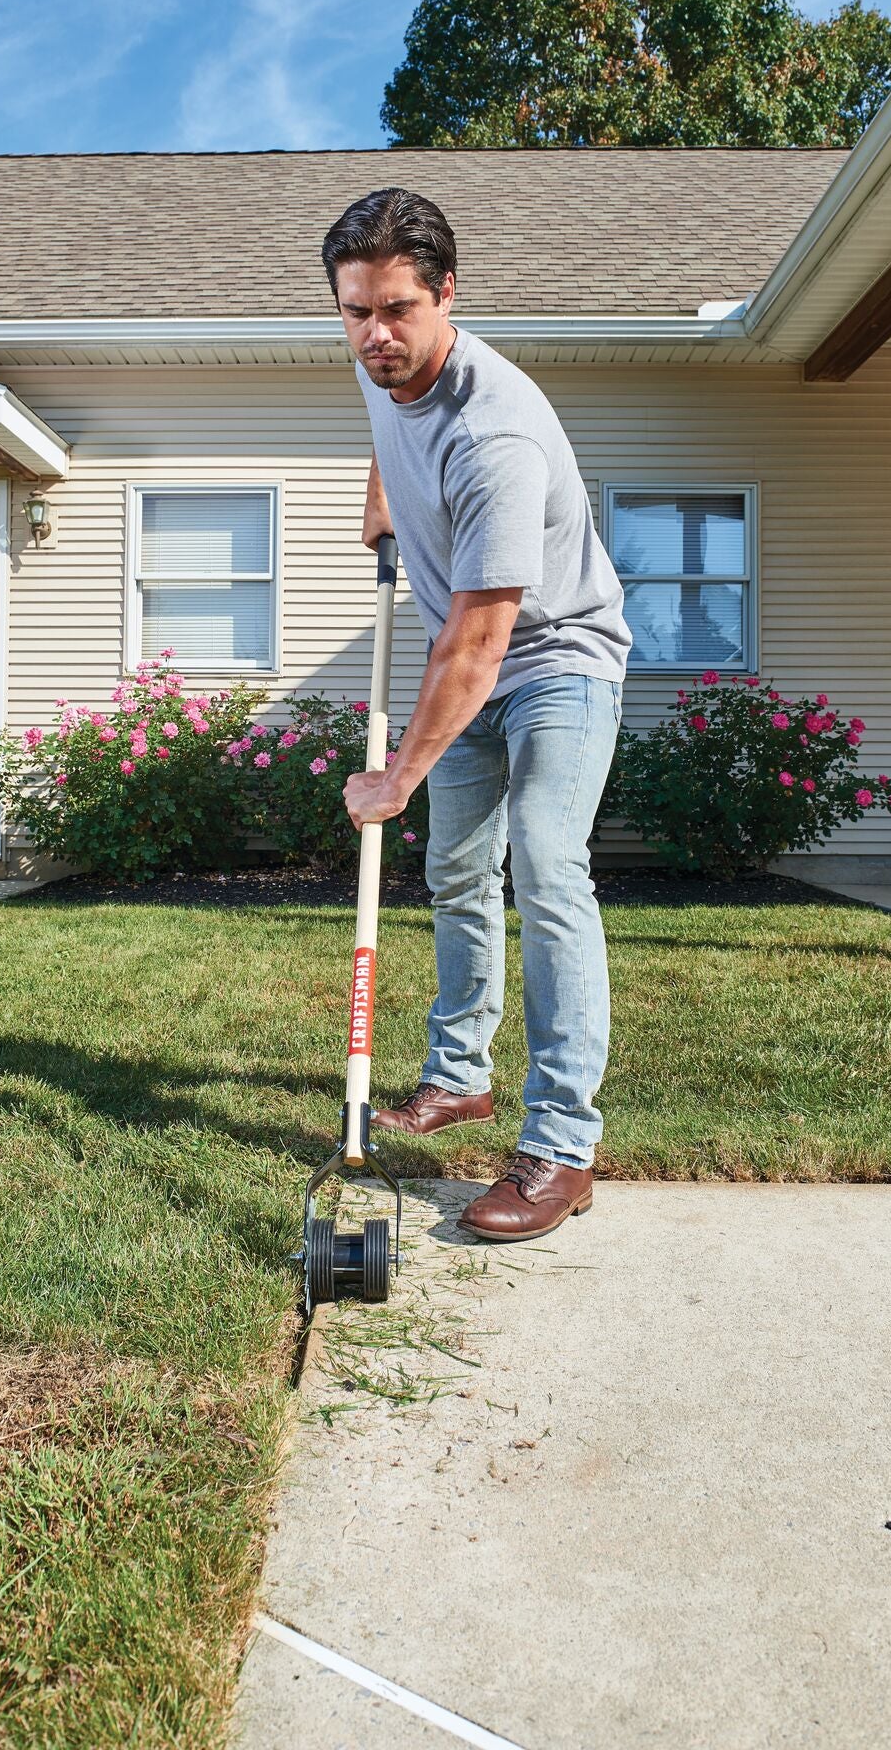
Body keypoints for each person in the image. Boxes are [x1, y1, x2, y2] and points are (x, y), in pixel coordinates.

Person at [323, 187, 632, 1244]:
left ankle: (561, 1146)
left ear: (446, 293)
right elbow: (392, 430)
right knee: (457, 867)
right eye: (355, 310)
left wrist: (395, 775)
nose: (375, 334)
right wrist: (387, 499)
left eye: (399, 309)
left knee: (546, 865)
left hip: (554, 658)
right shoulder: (381, 365)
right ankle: (458, 1075)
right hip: (476, 653)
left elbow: (479, 637)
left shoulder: (494, 430)